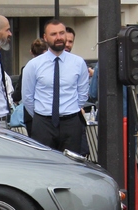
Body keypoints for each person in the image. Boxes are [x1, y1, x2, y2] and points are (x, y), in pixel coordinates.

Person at [22, 19, 89, 154]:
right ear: (45, 37)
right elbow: (27, 97)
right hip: (43, 123)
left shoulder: (78, 63)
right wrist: (41, 116)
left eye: (61, 33)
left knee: (71, 166)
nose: (58, 37)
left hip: (71, 123)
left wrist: (70, 110)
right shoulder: (34, 65)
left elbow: (82, 95)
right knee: (44, 166)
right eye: (53, 34)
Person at [12, 38, 48, 135]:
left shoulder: (27, 69)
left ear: (31, 52)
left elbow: (19, 94)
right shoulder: (52, 68)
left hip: (31, 115)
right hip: (49, 113)